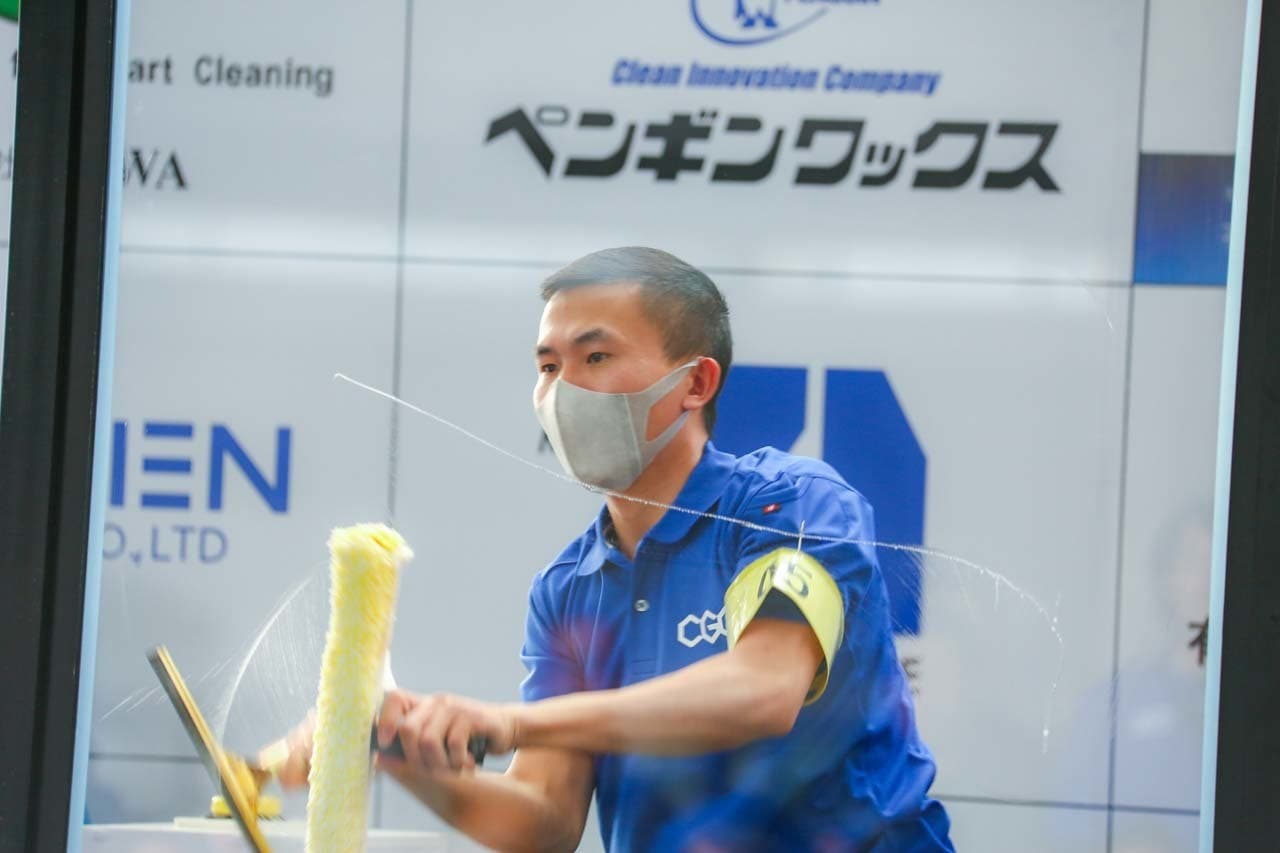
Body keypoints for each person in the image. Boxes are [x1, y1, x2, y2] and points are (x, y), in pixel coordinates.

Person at [273, 247, 953, 851]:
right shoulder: (569, 587)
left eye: (595, 357)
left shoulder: (788, 502)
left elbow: (764, 689)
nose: (562, 391)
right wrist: (394, 749)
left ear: (695, 383)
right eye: (548, 365)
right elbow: (545, 821)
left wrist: (511, 721)